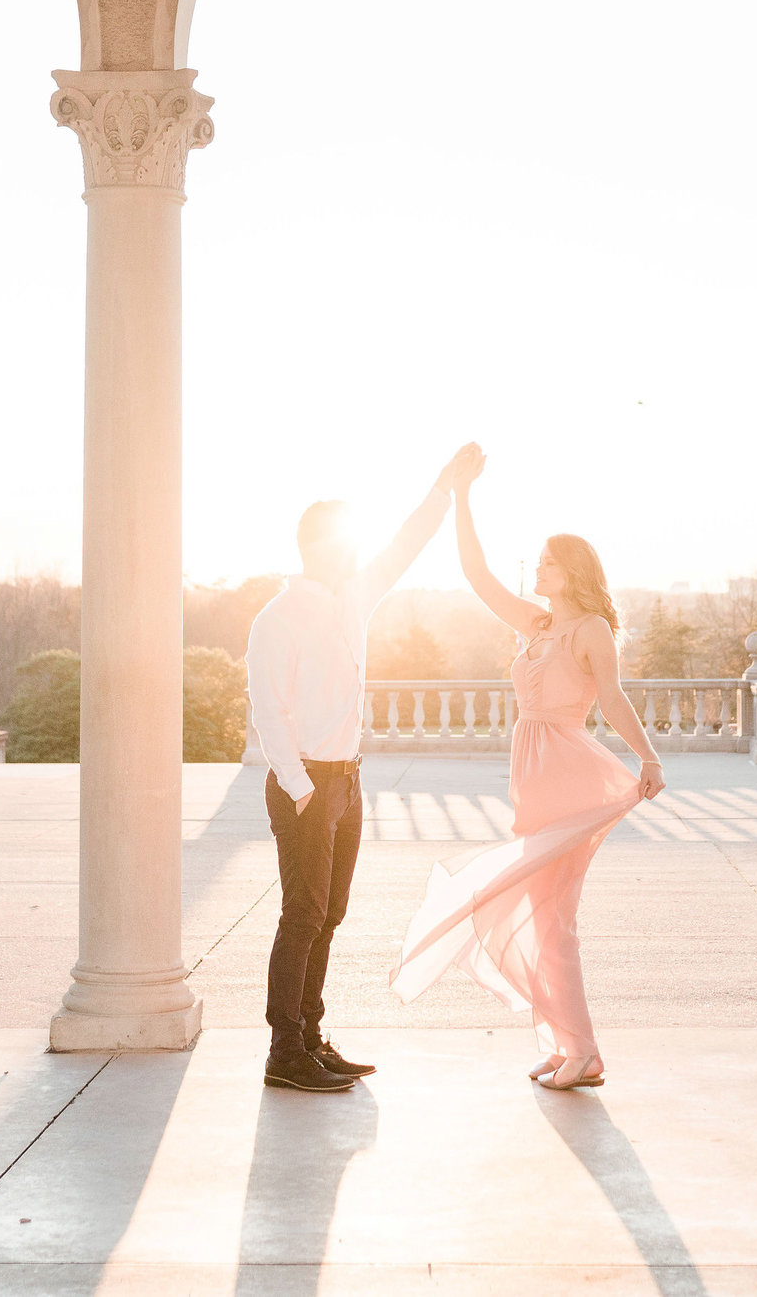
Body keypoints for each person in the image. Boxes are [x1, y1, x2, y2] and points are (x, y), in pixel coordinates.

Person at [388, 442, 665, 1090]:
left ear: (571, 570)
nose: (537, 567)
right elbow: (477, 574)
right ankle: (567, 1042)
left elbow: (616, 698)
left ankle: (585, 1050)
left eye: (546, 560)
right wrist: (462, 496)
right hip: (534, 779)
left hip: (568, 772)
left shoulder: (589, 629)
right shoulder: (537, 623)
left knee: (554, 918)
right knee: (544, 917)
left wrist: (648, 755)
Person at [245, 446, 475, 1092]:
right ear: (318, 547)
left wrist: (445, 486)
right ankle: (283, 1048)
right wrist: (300, 789)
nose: (357, 553)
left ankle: (310, 1035)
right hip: (307, 786)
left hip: (347, 781)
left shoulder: (355, 597)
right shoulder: (277, 619)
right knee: (303, 912)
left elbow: (406, 542)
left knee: (331, 910)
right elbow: (268, 714)